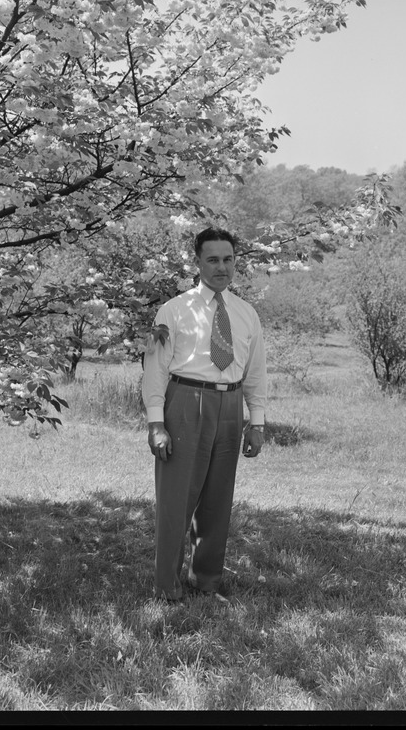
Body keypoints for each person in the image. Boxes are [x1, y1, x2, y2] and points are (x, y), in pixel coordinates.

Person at [141, 227, 267, 603]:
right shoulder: (174, 310)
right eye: (212, 259)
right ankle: (167, 586)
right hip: (185, 403)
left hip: (229, 407)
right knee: (176, 501)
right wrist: (156, 423)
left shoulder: (246, 314)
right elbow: (156, 368)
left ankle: (206, 581)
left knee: (217, 501)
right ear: (197, 263)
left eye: (228, 259)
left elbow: (256, 373)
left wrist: (256, 420)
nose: (221, 267)